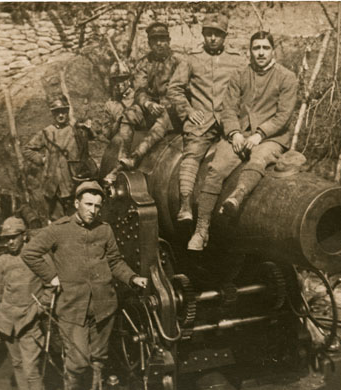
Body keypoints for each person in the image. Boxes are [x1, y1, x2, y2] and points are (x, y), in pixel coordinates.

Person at [21, 181, 148, 390]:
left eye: (98, 206)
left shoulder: (105, 230)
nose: (93, 210)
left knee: (99, 358)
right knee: (78, 362)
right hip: (72, 307)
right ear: (76, 203)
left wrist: (132, 278)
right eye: (88, 204)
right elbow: (30, 252)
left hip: (104, 306)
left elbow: (115, 262)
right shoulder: (59, 229)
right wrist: (51, 277)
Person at [187, 31, 298, 250]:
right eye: (256, 48)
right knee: (216, 169)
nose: (261, 53)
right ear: (250, 51)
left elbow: (283, 116)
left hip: (271, 137)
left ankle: (237, 196)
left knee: (259, 158)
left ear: (273, 51)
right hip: (240, 134)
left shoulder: (286, 77)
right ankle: (201, 229)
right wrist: (234, 133)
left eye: (265, 48)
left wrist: (260, 134)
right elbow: (228, 109)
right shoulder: (239, 75)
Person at [167, 13, 246, 223]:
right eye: (208, 33)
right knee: (192, 154)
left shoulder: (237, 60)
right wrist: (188, 111)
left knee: (244, 151)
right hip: (202, 121)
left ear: (225, 36)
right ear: (203, 34)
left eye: (217, 34)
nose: (212, 38)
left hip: (230, 119)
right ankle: (185, 204)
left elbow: (248, 89)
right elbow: (174, 89)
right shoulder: (191, 59)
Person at [0, 217, 51, 390]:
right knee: (17, 364)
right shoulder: (2, 261)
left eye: (14, 237)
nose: (9, 242)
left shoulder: (37, 257)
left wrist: (39, 308)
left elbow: (51, 286)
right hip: (7, 321)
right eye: (6, 238)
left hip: (29, 321)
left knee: (31, 368)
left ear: (24, 236)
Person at [117, 21, 183, 170]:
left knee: (164, 117)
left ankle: (136, 157)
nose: (159, 44)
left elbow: (185, 88)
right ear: (149, 43)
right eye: (155, 40)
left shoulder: (179, 61)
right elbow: (139, 89)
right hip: (151, 109)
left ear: (169, 41)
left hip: (173, 112)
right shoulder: (144, 63)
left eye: (162, 39)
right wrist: (148, 104)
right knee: (129, 114)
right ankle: (122, 157)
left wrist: (169, 104)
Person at [23, 96, 98, 221]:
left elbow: (91, 138)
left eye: (63, 111)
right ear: (53, 114)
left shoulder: (75, 130)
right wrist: (42, 159)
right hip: (52, 184)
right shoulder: (46, 132)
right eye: (57, 112)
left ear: (67, 112)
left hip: (72, 182)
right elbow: (27, 149)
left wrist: (88, 128)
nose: (61, 115)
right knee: (57, 221)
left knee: (76, 219)